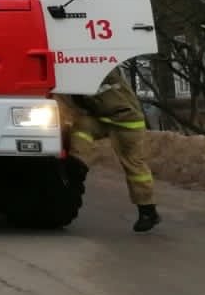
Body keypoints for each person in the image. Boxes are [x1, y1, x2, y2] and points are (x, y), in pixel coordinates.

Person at [59, 65, 160, 232]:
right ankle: (78, 163)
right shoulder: (79, 74)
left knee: (135, 167)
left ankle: (148, 211)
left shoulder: (103, 70)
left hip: (127, 122)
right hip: (103, 119)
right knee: (82, 127)